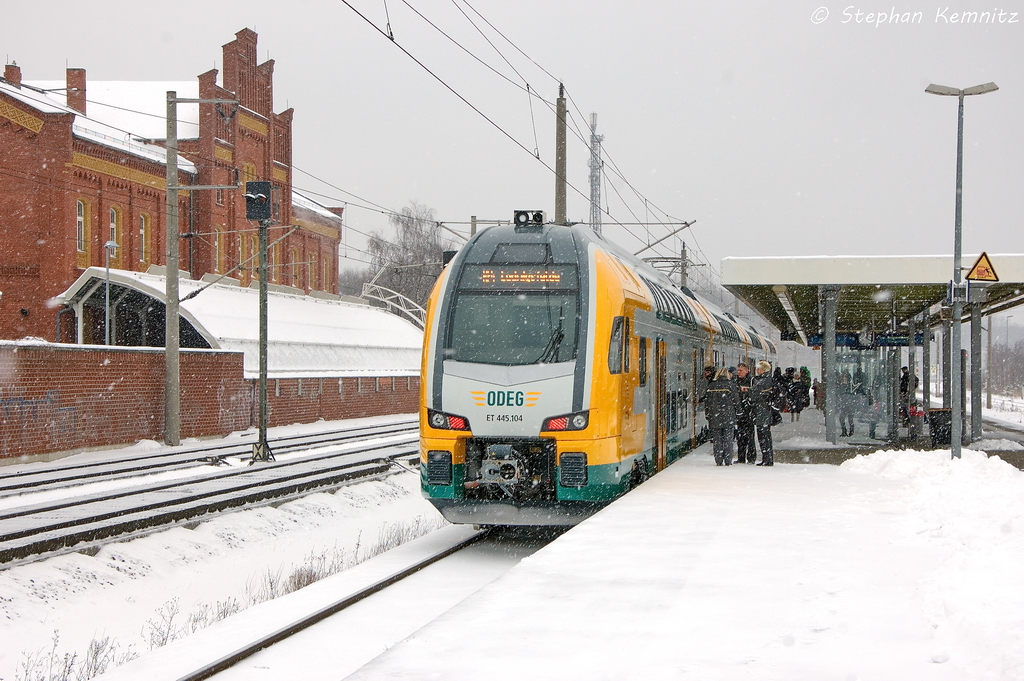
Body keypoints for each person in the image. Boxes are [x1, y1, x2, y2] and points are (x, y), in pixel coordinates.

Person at [704, 367, 739, 466]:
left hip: (715, 416)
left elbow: (707, 402)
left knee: (717, 440)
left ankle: (718, 460)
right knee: (728, 439)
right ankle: (728, 460)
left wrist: (708, 414)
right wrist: (739, 412)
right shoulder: (731, 385)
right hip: (729, 416)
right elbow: (736, 401)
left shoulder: (711, 386)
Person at [749, 360, 777, 466]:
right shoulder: (767, 379)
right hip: (764, 410)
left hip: (762, 411)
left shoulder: (764, 380)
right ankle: (767, 458)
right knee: (765, 436)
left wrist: (750, 391)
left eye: (758, 368)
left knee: (763, 436)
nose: (757, 370)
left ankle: (767, 459)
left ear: (763, 370)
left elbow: (755, 394)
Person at [734, 363, 756, 464]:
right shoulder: (736, 381)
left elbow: (755, 394)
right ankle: (741, 457)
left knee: (750, 436)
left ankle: (751, 457)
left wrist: (747, 392)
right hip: (740, 412)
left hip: (748, 412)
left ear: (747, 371)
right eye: (738, 370)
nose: (738, 372)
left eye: (741, 370)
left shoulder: (752, 380)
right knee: (740, 437)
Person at [838, 372, 856, 437]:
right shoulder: (842, 386)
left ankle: (850, 431)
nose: (843, 379)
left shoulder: (850, 386)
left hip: (849, 404)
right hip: (844, 404)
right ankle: (845, 431)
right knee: (842, 418)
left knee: (850, 419)